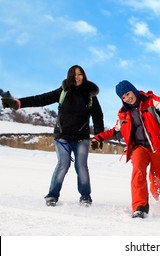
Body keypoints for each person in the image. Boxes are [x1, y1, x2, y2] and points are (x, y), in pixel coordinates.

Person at [1, 65, 104, 207]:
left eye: (80, 74)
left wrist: (99, 137)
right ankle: (52, 196)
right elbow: (40, 99)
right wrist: (18, 103)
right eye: (74, 74)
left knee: (81, 166)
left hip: (82, 138)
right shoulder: (63, 91)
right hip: (62, 136)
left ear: (84, 76)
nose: (77, 77)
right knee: (63, 163)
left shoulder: (90, 96)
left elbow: (98, 117)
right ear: (69, 76)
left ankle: (85, 197)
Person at [91, 80, 160, 218]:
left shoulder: (150, 100)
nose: (127, 98)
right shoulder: (123, 113)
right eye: (123, 97)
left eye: (128, 94)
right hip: (139, 148)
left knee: (157, 184)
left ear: (133, 90)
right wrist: (98, 138)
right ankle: (140, 208)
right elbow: (115, 131)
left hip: (158, 147)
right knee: (138, 173)